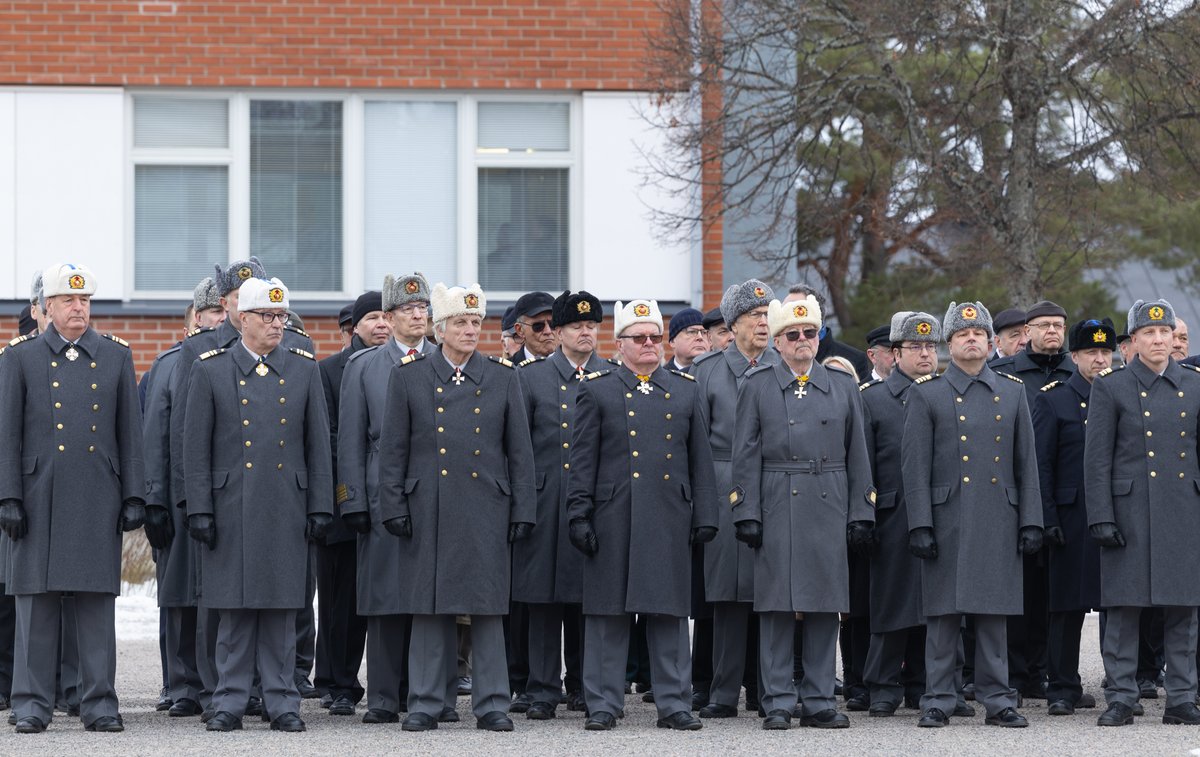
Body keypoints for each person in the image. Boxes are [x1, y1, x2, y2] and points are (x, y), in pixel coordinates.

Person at [376, 283, 536, 733]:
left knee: (487, 609)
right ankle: (426, 702)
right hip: (428, 505)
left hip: (487, 506)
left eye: (476, 322)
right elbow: (394, 450)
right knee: (428, 608)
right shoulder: (409, 377)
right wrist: (393, 503)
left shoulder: (503, 377)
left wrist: (523, 509)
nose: (471, 330)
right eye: (461, 323)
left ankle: (491, 704)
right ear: (440, 329)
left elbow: (519, 452)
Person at [0, 263, 146, 734]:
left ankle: (100, 702)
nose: (78, 308)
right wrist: (9, 496)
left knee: (95, 606)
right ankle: (31, 704)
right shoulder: (20, 357)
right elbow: (8, 435)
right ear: (46, 309)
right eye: (67, 301)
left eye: (84, 301)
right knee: (35, 606)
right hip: (38, 497)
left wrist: (133, 495)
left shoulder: (115, 356)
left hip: (95, 496)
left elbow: (130, 433)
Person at [183, 277, 332, 733]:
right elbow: (196, 448)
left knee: (283, 609)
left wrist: (321, 506)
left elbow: (318, 445)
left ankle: (282, 699)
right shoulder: (210, 369)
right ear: (240, 318)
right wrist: (200, 508)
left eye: (281, 316)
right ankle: (228, 700)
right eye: (266, 316)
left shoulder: (304, 369)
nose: (276, 324)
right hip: (232, 506)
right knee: (235, 610)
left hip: (287, 503)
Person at [566, 299, 718, 731]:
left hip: (669, 515)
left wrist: (706, 513)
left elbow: (700, 459)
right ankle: (602, 704)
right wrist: (578, 514)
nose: (649, 343)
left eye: (655, 336)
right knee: (607, 616)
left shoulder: (686, 389)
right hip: (613, 516)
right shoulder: (597, 389)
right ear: (621, 344)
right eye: (639, 337)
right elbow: (582, 462)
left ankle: (674, 704)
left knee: (669, 615)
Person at [731, 294, 875, 730]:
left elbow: (859, 456)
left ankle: (817, 701)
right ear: (777, 342)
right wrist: (746, 511)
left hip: (828, 498)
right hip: (776, 498)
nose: (801, 340)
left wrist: (861, 512)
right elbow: (745, 454)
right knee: (775, 607)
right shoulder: (756, 386)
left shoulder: (843, 385)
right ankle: (776, 700)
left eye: (809, 332)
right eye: (791, 334)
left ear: (819, 336)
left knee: (823, 605)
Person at [902, 301, 1042, 728]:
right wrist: (920, 523)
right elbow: (914, 466)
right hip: (947, 519)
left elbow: (1027, 463)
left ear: (990, 341)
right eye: (963, 335)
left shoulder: (1013, 391)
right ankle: (939, 698)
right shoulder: (926, 393)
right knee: (942, 616)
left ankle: (998, 699)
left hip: (998, 515)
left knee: (993, 615)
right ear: (949, 344)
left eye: (978, 333)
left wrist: (1031, 520)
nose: (971, 339)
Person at [1085, 298, 1200, 727]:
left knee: (1183, 609)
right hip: (1129, 510)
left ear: (1174, 339)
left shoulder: (1195, 384)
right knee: (1122, 609)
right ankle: (1120, 696)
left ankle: (1182, 697)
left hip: (1184, 509)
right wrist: (1100, 514)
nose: (1157, 340)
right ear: (1132, 342)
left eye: (1164, 332)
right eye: (1148, 333)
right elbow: (1096, 459)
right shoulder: (1111, 386)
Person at [338, 274, 446, 725]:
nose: (418, 315)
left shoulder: (446, 360)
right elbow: (350, 440)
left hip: (433, 492)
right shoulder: (364, 366)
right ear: (389, 316)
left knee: (430, 597)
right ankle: (384, 696)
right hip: (381, 488)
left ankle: (427, 694)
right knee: (382, 596)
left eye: (423, 309)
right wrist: (352, 500)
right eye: (407, 309)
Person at [513, 290, 610, 719]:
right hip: (545, 499)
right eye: (576, 326)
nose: (585, 332)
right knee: (543, 600)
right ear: (559, 331)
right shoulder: (531, 378)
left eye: (592, 326)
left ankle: (587, 688)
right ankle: (542, 689)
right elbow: (517, 448)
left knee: (589, 599)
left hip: (594, 501)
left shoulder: (612, 375)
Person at [141, 277, 227, 720]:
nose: (222, 319)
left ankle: (224, 682)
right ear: (198, 316)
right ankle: (181, 685)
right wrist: (154, 500)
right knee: (178, 600)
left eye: (228, 311)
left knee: (222, 596)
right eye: (215, 312)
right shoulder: (171, 364)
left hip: (223, 500)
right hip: (175, 499)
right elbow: (154, 434)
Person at [692, 280, 776, 721]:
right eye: (754, 317)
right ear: (733, 324)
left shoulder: (783, 363)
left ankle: (768, 689)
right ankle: (723, 692)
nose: (763, 324)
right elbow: (696, 440)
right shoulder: (706, 370)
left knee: (772, 589)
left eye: (767, 316)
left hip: (774, 482)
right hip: (722, 480)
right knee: (726, 595)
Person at [860, 312, 942, 717]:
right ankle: (883, 685)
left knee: (935, 603)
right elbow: (863, 464)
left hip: (939, 513)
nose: (925, 354)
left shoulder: (946, 394)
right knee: (892, 603)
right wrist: (864, 515)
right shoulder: (872, 399)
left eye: (930, 346)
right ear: (895, 354)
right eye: (916, 347)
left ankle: (925, 684)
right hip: (891, 515)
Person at [990, 299, 1072, 701]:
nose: (1052, 331)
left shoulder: (1079, 373)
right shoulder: (1003, 374)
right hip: (1016, 494)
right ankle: (1014, 672)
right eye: (1043, 325)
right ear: (1027, 332)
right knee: (1018, 588)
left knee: (1052, 592)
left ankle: (1044, 672)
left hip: (1063, 498)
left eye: (1058, 325)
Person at [1032, 318, 1113, 717]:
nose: (1099, 360)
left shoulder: (1121, 396)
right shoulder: (1055, 399)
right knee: (1065, 607)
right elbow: (1042, 465)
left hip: (1116, 514)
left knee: (1117, 604)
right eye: (1091, 353)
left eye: (1105, 352)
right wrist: (1048, 518)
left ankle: (1120, 681)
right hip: (1071, 515)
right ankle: (1062, 687)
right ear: (1075, 356)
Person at [314, 292, 388, 716]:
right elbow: (328, 440)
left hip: (387, 502)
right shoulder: (329, 371)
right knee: (339, 602)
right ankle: (338, 683)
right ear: (353, 327)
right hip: (344, 504)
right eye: (372, 317)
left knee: (378, 599)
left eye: (384, 316)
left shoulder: (406, 366)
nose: (380, 324)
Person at [782, 283, 871, 379]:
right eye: (784, 311)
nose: (802, 337)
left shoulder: (853, 359)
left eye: (795, 310)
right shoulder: (774, 358)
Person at [511, 291, 557, 363]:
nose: (548, 331)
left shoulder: (574, 367)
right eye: (538, 326)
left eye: (553, 324)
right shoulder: (506, 371)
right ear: (520, 330)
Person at [666, 308, 709, 372]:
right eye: (692, 332)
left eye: (704, 332)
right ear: (672, 341)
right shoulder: (659, 379)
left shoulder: (719, 374)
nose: (700, 337)